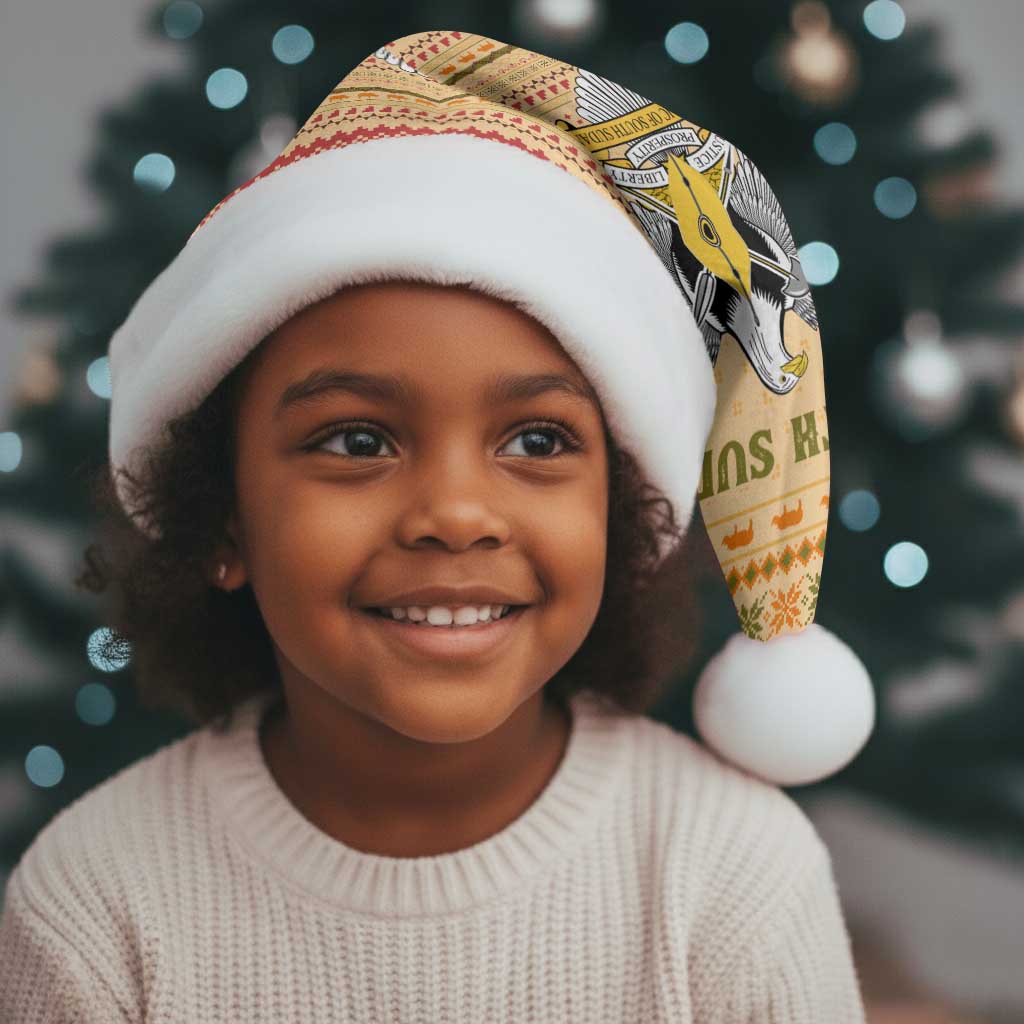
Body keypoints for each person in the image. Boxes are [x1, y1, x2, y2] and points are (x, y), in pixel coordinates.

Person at [0, 29, 873, 1022]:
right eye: (358, 441)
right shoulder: (97, 898)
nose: (456, 514)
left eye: (538, 441)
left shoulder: (730, 872)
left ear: (621, 510)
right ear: (220, 519)